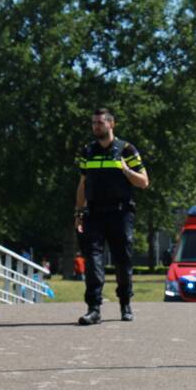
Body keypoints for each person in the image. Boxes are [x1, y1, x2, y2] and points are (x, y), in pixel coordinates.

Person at [74, 108, 149, 324]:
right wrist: (78, 211)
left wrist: (126, 170)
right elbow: (82, 184)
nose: (96, 126)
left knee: (122, 260)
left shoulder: (126, 149)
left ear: (111, 124)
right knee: (92, 260)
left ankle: (125, 303)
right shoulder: (88, 151)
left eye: (100, 122)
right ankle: (94, 308)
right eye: (94, 123)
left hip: (120, 212)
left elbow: (144, 182)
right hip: (94, 213)